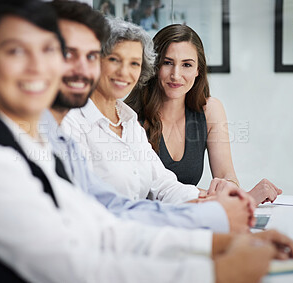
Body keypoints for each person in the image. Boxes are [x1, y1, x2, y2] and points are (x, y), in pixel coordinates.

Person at [0, 0, 293, 283]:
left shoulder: (42, 145)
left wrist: (218, 243)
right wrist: (218, 268)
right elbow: (79, 267)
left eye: (48, 51)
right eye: (15, 51)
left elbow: (103, 230)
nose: (39, 67)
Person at [48, 0, 250, 234]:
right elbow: (96, 206)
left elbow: (164, 184)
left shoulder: (127, 120)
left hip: (139, 233)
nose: (125, 72)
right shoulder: (70, 122)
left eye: (134, 63)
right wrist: (197, 213)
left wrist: (209, 201)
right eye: (114, 60)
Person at [125, 24, 282, 206]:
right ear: (154, 66)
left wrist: (229, 190)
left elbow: (226, 175)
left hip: (192, 217)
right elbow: (154, 190)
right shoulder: (129, 117)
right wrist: (241, 199)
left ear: (198, 70)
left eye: (187, 65)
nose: (176, 75)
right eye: (168, 63)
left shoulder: (210, 110)